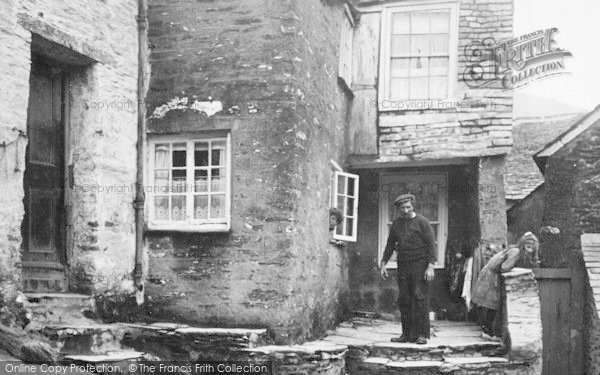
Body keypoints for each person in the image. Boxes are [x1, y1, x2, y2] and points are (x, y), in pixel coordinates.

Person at [380, 194, 436, 344]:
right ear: (398, 209)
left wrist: (430, 266)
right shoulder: (396, 224)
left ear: (413, 206)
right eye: (402, 208)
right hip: (403, 265)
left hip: (420, 265)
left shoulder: (422, 222)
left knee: (419, 298)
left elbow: (432, 245)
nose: (405, 210)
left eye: (408, 207)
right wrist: (384, 262)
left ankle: (422, 334)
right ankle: (406, 334)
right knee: (404, 299)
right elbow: (390, 244)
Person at [471, 232, 539, 339]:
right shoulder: (516, 252)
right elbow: (505, 267)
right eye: (528, 244)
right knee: (491, 304)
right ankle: (487, 331)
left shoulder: (521, 252)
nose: (530, 247)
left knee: (492, 304)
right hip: (492, 276)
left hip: (495, 274)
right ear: (522, 244)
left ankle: (488, 330)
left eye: (532, 245)